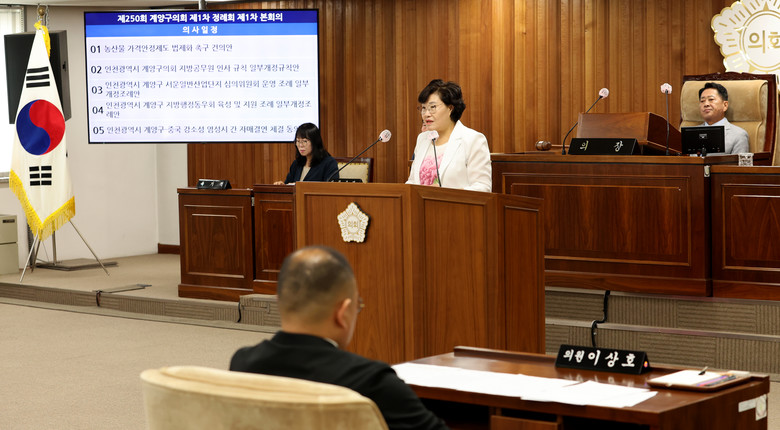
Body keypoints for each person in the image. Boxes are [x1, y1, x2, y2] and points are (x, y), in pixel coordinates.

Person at [230, 246, 449, 430]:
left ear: (280, 303)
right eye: (357, 306)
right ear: (343, 313)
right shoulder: (372, 382)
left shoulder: (243, 364)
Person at [406, 79, 492, 192]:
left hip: (456, 204)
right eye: (423, 108)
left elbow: (483, 187)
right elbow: (412, 181)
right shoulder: (423, 138)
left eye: (432, 107)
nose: (426, 114)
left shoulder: (473, 140)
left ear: (450, 108)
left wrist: (445, 194)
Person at [274, 123, 339, 185]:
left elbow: (331, 188)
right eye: (298, 141)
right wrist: (282, 185)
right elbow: (289, 185)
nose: (300, 145)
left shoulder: (329, 163)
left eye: (305, 141)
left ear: (315, 142)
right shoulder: (296, 164)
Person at [698, 82, 749, 154]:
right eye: (702, 101)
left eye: (711, 99)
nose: (706, 104)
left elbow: (740, 161)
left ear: (725, 105)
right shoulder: (690, 134)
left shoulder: (738, 135)